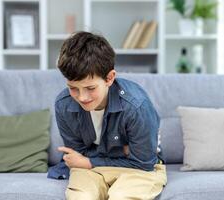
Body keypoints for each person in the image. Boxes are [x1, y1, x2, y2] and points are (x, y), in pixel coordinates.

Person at [48, 31, 167, 200]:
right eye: (73, 88)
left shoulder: (136, 106)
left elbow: (143, 162)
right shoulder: (64, 104)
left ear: (109, 78)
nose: (82, 97)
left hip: (139, 170)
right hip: (90, 171)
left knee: (121, 196)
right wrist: (124, 150)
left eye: (90, 88)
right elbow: (77, 156)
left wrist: (90, 161)